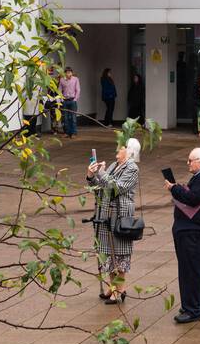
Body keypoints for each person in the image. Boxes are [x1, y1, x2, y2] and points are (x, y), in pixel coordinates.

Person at [166, 146, 200, 323]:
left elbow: (192, 198)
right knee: (195, 270)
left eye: (191, 160)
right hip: (196, 230)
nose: (188, 163)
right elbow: (193, 197)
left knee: (191, 270)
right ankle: (197, 305)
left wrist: (174, 188)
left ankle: (192, 309)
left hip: (197, 232)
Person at [87, 137, 141, 305]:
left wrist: (101, 173)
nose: (117, 150)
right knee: (108, 253)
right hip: (106, 214)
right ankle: (114, 287)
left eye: (121, 148)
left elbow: (116, 188)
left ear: (129, 151)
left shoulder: (132, 168)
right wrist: (91, 175)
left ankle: (118, 290)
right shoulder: (113, 165)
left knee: (120, 254)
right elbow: (101, 187)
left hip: (120, 216)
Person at [58, 67, 80, 138]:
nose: (68, 74)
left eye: (70, 72)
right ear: (65, 73)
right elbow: (59, 90)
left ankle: (73, 133)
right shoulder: (62, 80)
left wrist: (75, 99)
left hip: (72, 100)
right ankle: (66, 132)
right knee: (65, 118)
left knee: (73, 117)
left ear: (71, 73)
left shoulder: (75, 79)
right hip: (65, 101)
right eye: (67, 72)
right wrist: (61, 100)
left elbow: (78, 90)